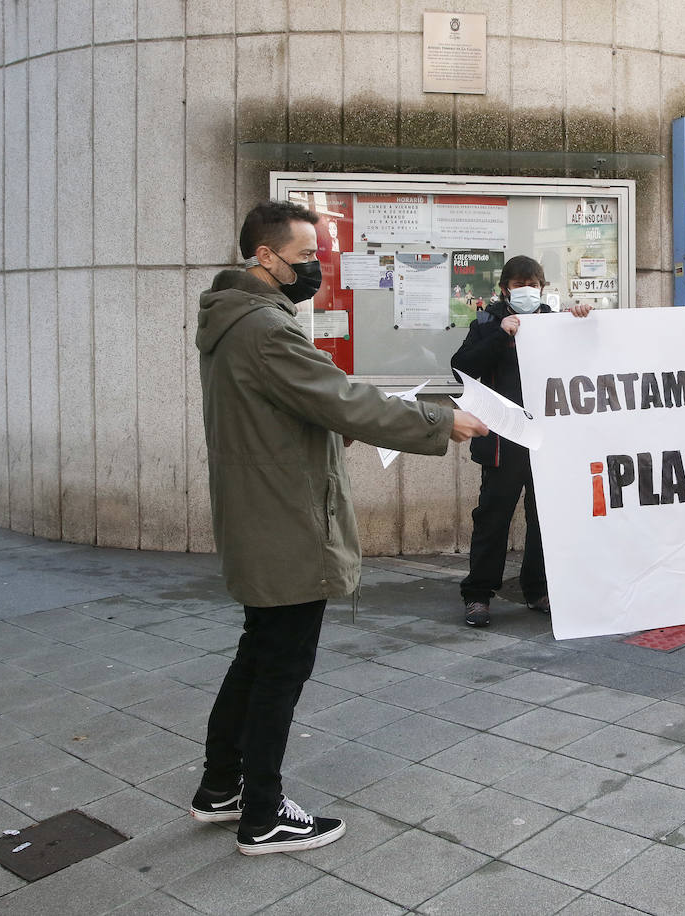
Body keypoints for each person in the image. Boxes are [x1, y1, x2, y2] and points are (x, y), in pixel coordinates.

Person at [190, 200, 486, 855]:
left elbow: (303, 409)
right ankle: (263, 814)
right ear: (264, 257)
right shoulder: (265, 328)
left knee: (258, 655)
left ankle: (221, 789)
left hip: (262, 509)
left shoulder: (233, 319)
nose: (315, 269)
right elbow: (339, 399)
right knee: (280, 669)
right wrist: (441, 422)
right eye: (304, 258)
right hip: (286, 519)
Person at [451, 256, 591, 628]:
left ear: (543, 287)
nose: (527, 290)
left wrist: (583, 319)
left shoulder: (556, 322)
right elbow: (461, 368)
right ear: (504, 288)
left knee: (543, 519)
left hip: (547, 441)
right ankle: (478, 595)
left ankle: (537, 588)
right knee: (493, 519)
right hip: (502, 440)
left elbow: (591, 358)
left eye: (533, 283)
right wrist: (501, 334)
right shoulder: (486, 323)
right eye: (518, 284)